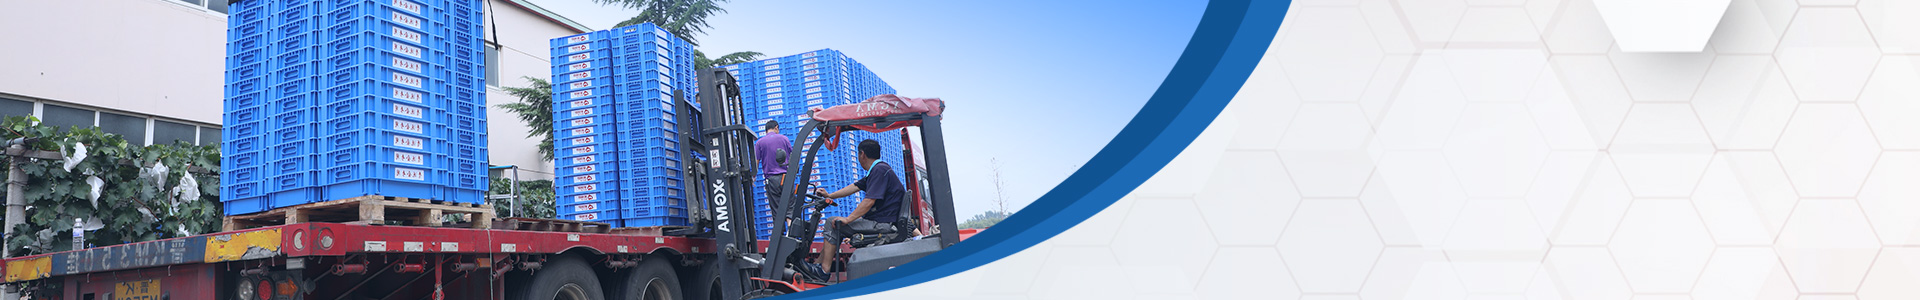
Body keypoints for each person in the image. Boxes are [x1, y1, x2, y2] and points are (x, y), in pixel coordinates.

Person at [810, 139, 909, 268]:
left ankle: (823, 269)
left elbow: (869, 201)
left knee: (831, 222)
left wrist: (848, 219)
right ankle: (818, 265)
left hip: (882, 224)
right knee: (836, 227)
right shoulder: (878, 170)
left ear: (862, 154)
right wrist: (829, 195)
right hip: (883, 221)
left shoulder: (879, 170)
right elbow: (854, 187)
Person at [752, 120, 794, 218]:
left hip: (771, 180)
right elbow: (793, 156)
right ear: (776, 127)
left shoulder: (760, 143)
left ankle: (780, 232)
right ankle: (790, 231)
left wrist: (753, 176)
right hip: (786, 177)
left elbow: (756, 162)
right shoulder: (784, 139)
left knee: (776, 210)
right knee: (790, 208)